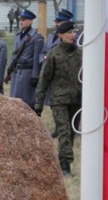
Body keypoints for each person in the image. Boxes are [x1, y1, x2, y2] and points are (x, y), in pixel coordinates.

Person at [34, 21, 81, 177]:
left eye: (74, 32)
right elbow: (44, 80)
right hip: (59, 100)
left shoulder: (80, 53)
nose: (72, 35)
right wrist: (38, 105)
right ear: (60, 35)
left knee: (72, 133)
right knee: (64, 132)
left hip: (77, 101)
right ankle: (65, 166)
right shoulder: (54, 54)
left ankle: (65, 160)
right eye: (69, 32)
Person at [6, 9, 44, 110]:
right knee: (14, 102)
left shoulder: (36, 37)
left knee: (26, 104)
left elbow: (37, 59)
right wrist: (9, 71)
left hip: (27, 73)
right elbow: (14, 55)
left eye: (24, 19)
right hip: (16, 72)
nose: (21, 22)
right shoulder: (17, 36)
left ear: (31, 21)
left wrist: (35, 76)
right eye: (20, 20)